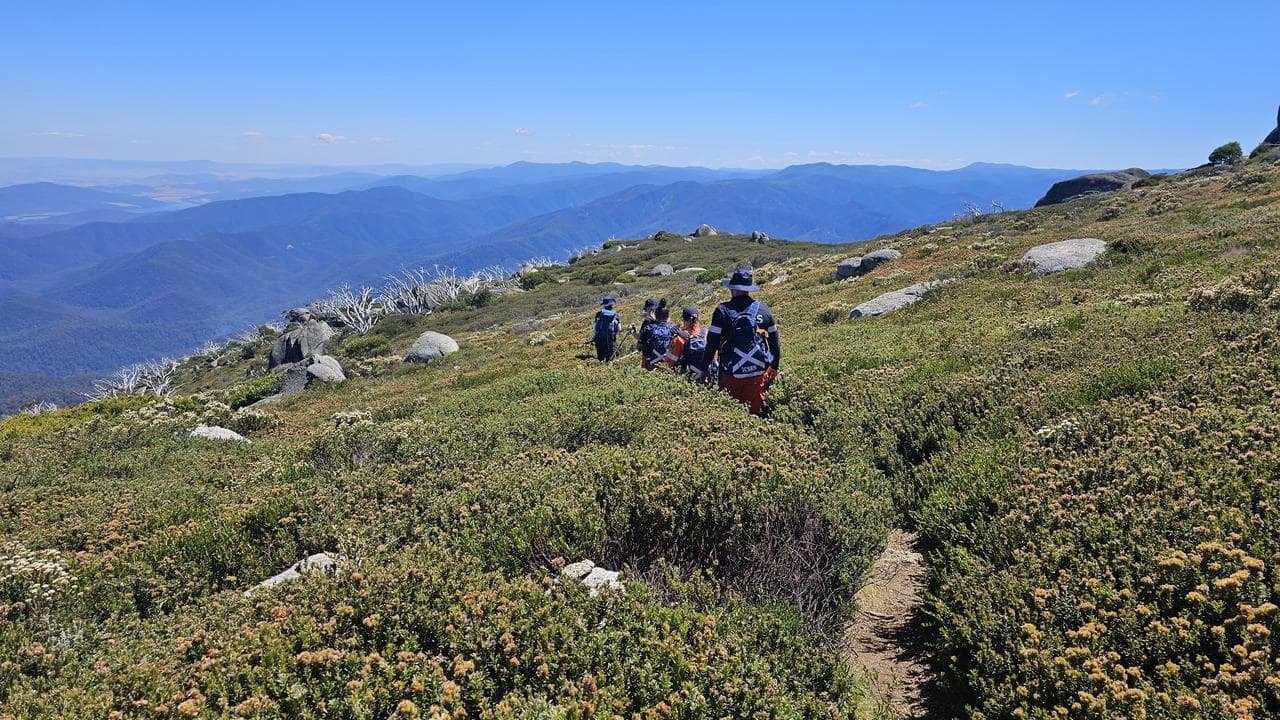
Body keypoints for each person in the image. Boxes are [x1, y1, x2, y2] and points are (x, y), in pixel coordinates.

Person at [697, 268, 781, 415]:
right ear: (749, 289)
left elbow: (712, 344)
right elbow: (775, 343)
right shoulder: (764, 309)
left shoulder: (722, 310)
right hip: (758, 373)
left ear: (732, 289)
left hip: (731, 374)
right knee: (755, 415)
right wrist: (774, 367)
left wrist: (704, 369)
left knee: (731, 415)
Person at [665, 306, 711, 379]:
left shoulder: (679, 338)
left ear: (684, 320)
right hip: (707, 378)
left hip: (689, 379)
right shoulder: (707, 333)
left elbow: (670, 363)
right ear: (698, 318)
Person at [637, 299, 675, 370]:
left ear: (656, 314)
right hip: (668, 364)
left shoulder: (649, 328)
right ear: (668, 316)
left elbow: (639, 347)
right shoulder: (673, 328)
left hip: (651, 364)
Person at [591, 295, 621, 362]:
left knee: (600, 358)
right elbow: (619, 328)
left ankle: (600, 368)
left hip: (599, 339)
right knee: (611, 358)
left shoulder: (599, 314)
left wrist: (594, 337)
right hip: (611, 340)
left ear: (603, 305)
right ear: (612, 305)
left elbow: (595, 328)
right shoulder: (615, 315)